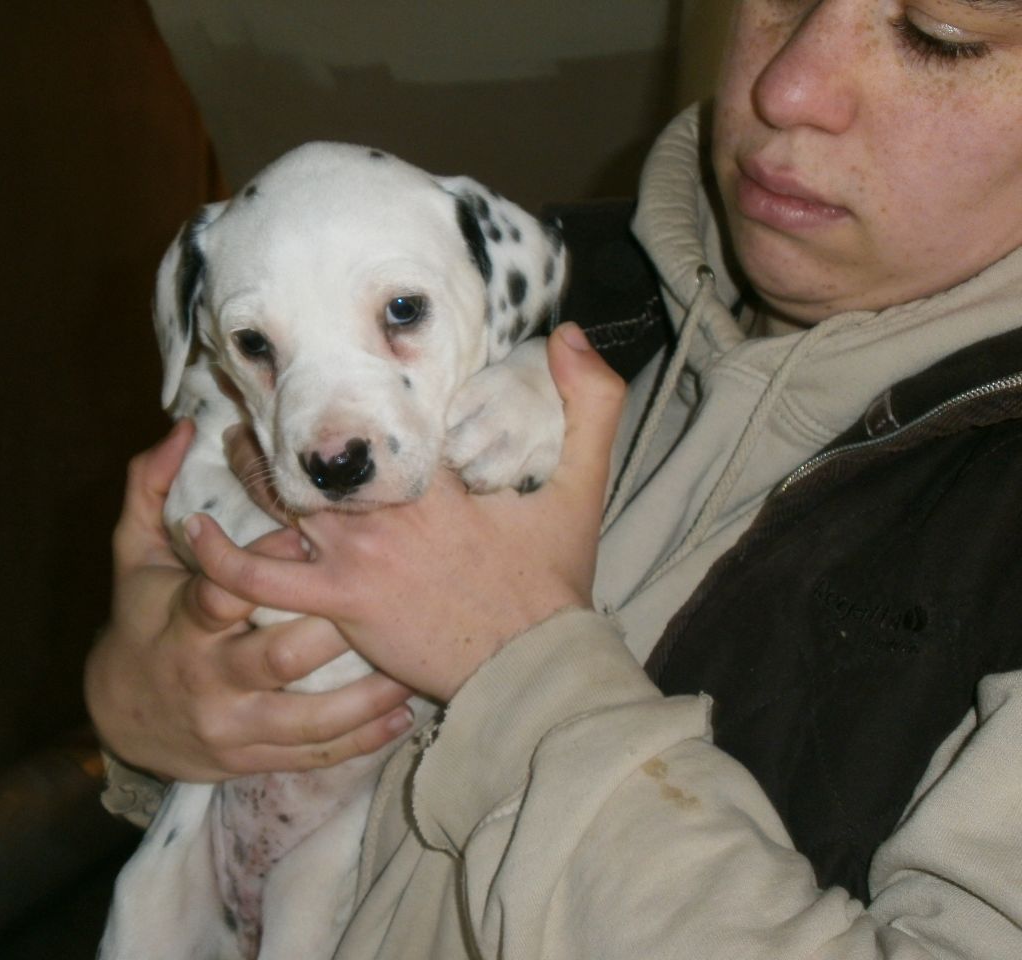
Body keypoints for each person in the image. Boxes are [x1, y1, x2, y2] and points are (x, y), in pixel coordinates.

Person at [84, 0, 1022, 956]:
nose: (787, 88)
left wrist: (518, 668)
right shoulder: (553, 272)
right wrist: (148, 718)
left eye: (941, 32)